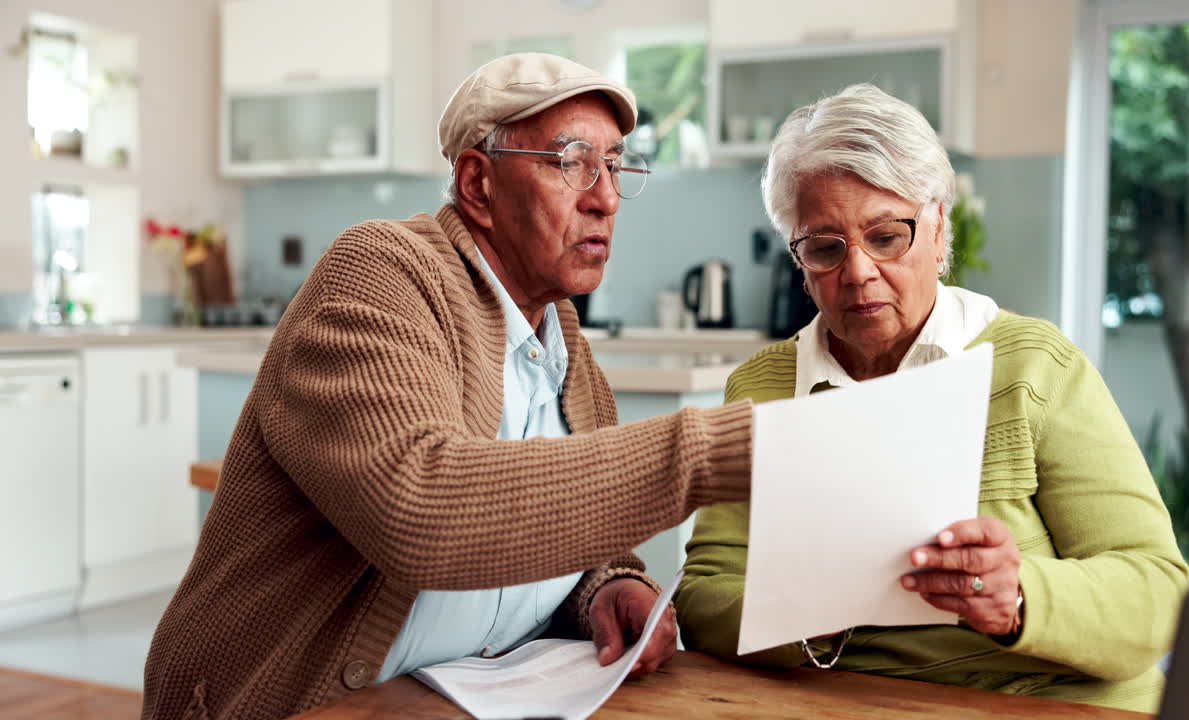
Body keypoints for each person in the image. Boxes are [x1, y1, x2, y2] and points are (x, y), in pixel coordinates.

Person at [142, 53, 755, 720]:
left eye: (613, 165)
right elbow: (420, 505)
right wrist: (711, 451)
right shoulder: (382, 271)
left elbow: (557, 539)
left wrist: (605, 589)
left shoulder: (565, 349)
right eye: (573, 160)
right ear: (477, 183)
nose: (605, 196)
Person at [674, 83, 1189, 713]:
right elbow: (702, 597)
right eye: (826, 248)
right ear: (800, 261)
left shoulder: (1035, 366)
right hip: (853, 701)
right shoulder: (761, 388)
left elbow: (1154, 592)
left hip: (1050, 699)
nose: (858, 272)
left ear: (938, 226)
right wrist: (806, 611)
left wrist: (1020, 597)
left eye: (887, 236)